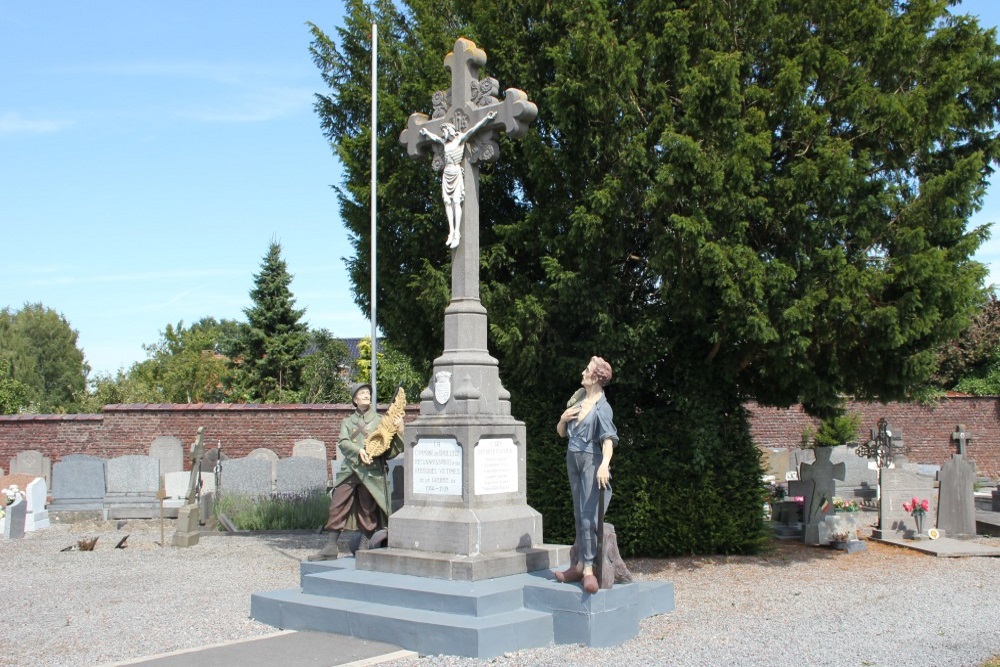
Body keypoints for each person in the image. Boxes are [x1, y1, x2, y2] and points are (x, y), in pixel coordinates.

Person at [308, 383, 405, 561]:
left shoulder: (379, 421)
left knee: (367, 509)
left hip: (370, 472)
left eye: (368, 393)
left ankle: (364, 545)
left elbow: (389, 450)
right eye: (362, 393)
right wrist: (359, 451)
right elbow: (343, 442)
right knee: (337, 503)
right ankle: (330, 546)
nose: (366, 395)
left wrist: (399, 431)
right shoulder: (347, 422)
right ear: (355, 399)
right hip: (351, 470)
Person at [554, 356, 618, 593]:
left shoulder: (603, 407)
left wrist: (604, 465)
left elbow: (609, 439)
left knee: (588, 516)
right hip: (573, 459)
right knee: (577, 512)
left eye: (587, 370)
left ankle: (589, 569)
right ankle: (579, 564)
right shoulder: (579, 400)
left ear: (596, 378)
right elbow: (562, 433)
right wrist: (562, 420)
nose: (583, 372)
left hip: (591, 461)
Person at [419, 110, 497, 248]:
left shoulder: (460, 138)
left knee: (456, 201)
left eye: (445, 131)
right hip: (447, 172)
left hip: (456, 171)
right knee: (447, 202)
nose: (443, 134)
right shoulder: (444, 142)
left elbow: (474, 129)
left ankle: (457, 233)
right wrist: (425, 132)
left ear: (450, 130)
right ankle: (451, 231)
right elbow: (435, 138)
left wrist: (486, 118)